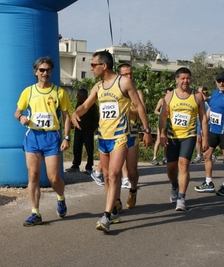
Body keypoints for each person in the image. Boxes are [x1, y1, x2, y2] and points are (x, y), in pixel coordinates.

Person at [72, 51, 152, 233]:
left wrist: (146, 131)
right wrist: (76, 113)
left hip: (120, 135)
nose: (91, 68)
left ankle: (106, 215)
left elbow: (139, 106)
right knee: (107, 176)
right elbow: (86, 105)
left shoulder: (123, 82)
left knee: (115, 174)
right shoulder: (98, 87)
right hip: (103, 136)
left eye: (93, 65)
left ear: (104, 65)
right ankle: (115, 209)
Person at [14, 56, 72, 227]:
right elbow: (17, 112)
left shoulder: (59, 92)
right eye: (42, 70)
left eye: (48, 70)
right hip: (33, 136)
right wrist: (22, 117)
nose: (45, 73)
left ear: (51, 72)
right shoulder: (29, 91)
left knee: (54, 178)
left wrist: (67, 137)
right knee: (33, 175)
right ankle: (35, 213)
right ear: (36, 72)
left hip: (51, 137)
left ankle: (60, 198)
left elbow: (67, 117)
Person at [159, 67, 209, 211]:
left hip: (189, 135)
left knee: (184, 165)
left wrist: (205, 138)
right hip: (173, 136)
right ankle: (174, 185)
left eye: (188, 78)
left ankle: (181, 197)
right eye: (182, 78)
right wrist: (162, 134)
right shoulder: (169, 96)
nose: (185, 81)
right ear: (176, 79)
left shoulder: (197, 96)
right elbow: (162, 117)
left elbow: (203, 119)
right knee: (171, 167)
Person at [194, 72, 224, 196]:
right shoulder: (215, 93)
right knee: (207, 155)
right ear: (216, 82)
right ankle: (208, 182)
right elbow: (211, 109)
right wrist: (205, 121)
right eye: (219, 81)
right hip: (213, 130)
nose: (222, 83)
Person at [117, 63, 146, 210]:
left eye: (130, 74)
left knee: (133, 170)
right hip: (116, 133)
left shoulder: (137, 92)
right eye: (125, 74)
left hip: (132, 133)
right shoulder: (115, 91)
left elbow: (141, 110)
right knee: (114, 170)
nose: (129, 77)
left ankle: (133, 190)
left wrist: (127, 109)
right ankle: (116, 200)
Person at [65, 87, 98, 174]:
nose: (77, 97)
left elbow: (96, 118)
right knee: (76, 148)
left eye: (78, 95)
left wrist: (92, 129)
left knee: (89, 149)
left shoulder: (92, 105)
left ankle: (89, 167)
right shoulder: (78, 104)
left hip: (88, 131)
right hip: (78, 131)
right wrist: (72, 124)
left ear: (84, 96)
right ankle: (76, 165)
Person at [152, 87, 173, 165]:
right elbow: (155, 111)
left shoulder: (173, 100)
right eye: (167, 93)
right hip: (162, 122)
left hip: (170, 122)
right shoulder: (162, 100)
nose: (168, 95)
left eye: (169, 93)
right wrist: (162, 114)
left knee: (166, 141)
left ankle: (165, 157)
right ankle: (154, 158)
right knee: (158, 139)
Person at [191, 86, 211, 163]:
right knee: (198, 139)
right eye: (203, 91)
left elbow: (205, 99)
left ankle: (210, 153)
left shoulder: (209, 98)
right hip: (199, 121)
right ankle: (198, 155)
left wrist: (200, 92)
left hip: (208, 121)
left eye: (205, 91)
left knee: (206, 138)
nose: (204, 93)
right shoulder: (199, 99)